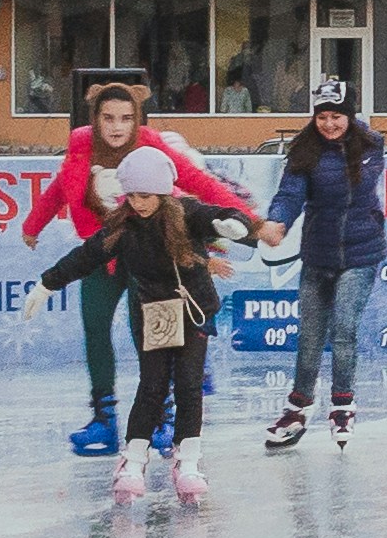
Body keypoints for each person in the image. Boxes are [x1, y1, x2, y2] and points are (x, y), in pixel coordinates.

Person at [27, 84, 247, 456]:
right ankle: (104, 417)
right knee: (95, 329)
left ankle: (161, 416)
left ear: (137, 121)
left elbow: (195, 185)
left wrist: (246, 220)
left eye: (126, 118)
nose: (117, 126)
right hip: (104, 254)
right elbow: (59, 190)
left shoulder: (150, 146)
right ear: (94, 119)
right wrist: (33, 225)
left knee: (150, 335)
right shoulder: (81, 145)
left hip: (147, 260)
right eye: (108, 117)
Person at [34, 148, 251, 508]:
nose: (139, 203)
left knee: (188, 384)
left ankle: (189, 459)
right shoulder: (123, 226)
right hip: (154, 313)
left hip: (194, 310)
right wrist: (48, 283)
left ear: (163, 192)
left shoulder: (185, 213)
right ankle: (133, 460)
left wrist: (230, 223)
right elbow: (86, 257)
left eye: (146, 196)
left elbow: (216, 215)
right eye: (132, 195)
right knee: (152, 385)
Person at [261, 83, 384, 451]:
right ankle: (298, 408)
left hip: (360, 254)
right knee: (310, 335)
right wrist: (277, 221)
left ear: (349, 115)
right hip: (318, 254)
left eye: (337, 116)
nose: (329, 124)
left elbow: (353, 189)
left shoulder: (370, 145)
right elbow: (289, 194)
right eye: (322, 116)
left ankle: (343, 404)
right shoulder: (304, 151)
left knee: (344, 329)